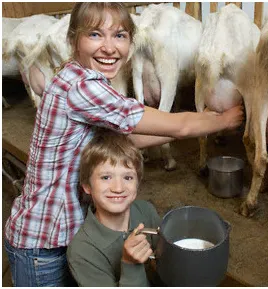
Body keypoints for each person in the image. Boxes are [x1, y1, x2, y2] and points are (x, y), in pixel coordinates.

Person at [4, 2, 244, 287]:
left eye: (119, 35)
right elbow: (179, 125)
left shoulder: (79, 77)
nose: (109, 47)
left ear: (131, 41)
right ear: (73, 40)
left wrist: (193, 125)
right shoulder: (83, 88)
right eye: (95, 35)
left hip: (58, 232)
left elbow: (129, 137)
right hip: (42, 246)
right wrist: (225, 120)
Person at [67, 129, 161, 286]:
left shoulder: (146, 210)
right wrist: (130, 265)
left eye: (128, 177)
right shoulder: (82, 251)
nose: (118, 188)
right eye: (106, 177)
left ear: (138, 184)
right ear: (87, 186)